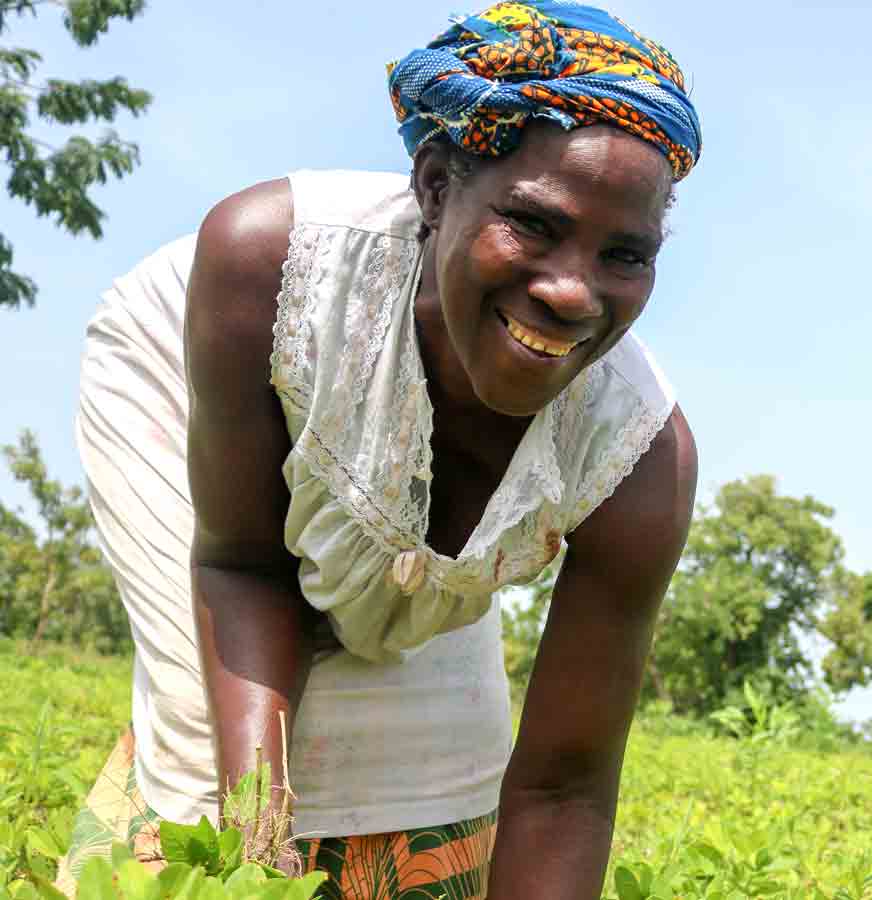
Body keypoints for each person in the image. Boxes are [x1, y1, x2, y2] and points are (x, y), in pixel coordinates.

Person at [59, 3, 703, 898]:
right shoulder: (263, 262)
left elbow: (564, 791)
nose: (571, 292)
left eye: (625, 255)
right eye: (533, 224)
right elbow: (244, 564)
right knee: (212, 765)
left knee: (440, 767)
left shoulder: (640, 457)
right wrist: (260, 844)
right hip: (213, 369)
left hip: (401, 509)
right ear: (435, 187)